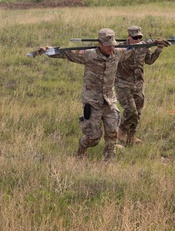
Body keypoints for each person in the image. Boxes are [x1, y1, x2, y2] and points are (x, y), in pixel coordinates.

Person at [34, 28, 122, 161]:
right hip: (92, 102)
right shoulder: (88, 55)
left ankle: (108, 161)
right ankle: (82, 148)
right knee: (94, 137)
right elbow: (67, 53)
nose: (111, 48)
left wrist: (153, 42)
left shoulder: (118, 53)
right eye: (108, 46)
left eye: (113, 45)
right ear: (99, 44)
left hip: (109, 101)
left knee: (113, 133)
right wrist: (48, 50)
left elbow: (136, 48)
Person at [116, 26, 169, 146]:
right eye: (135, 37)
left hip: (138, 84)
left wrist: (159, 48)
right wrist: (150, 42)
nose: (138, 39)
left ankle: (131, 136)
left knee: (138, 112)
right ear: (129, 37)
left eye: (140, 37)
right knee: (131, 110)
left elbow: (149, 61)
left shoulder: (143, 47)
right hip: (123, 84)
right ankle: (121, 131)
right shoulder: (121, 48)